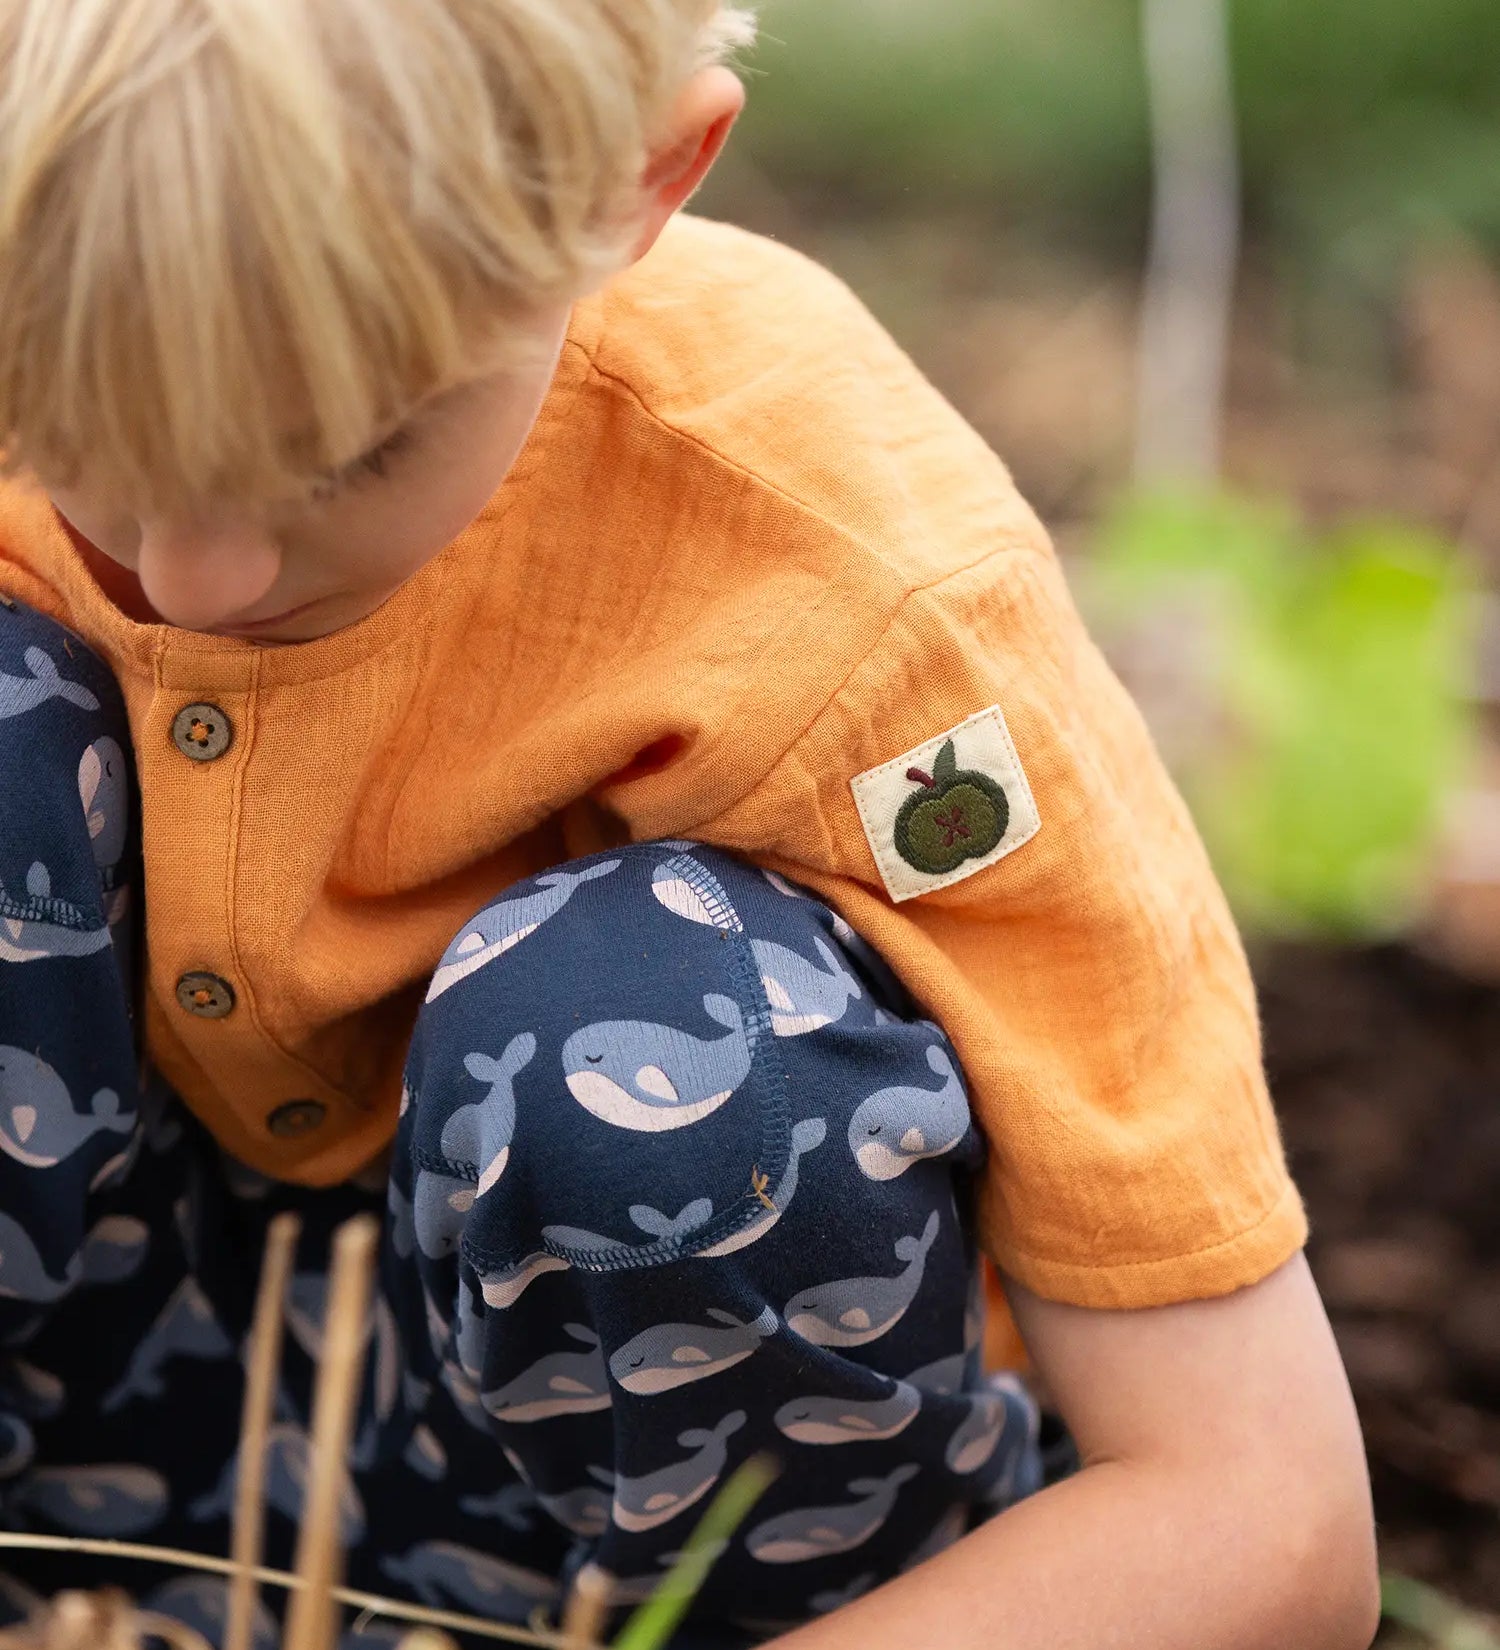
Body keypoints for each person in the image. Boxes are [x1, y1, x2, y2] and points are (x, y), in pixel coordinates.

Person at [0, 2, 1378, 1646]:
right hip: (86, 1427)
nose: (192, 571)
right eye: (67, 404)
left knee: (650, 1025)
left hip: (620, 1515)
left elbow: (1269, 1517)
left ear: (638, 186)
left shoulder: (846, 581)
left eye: (351, 447)